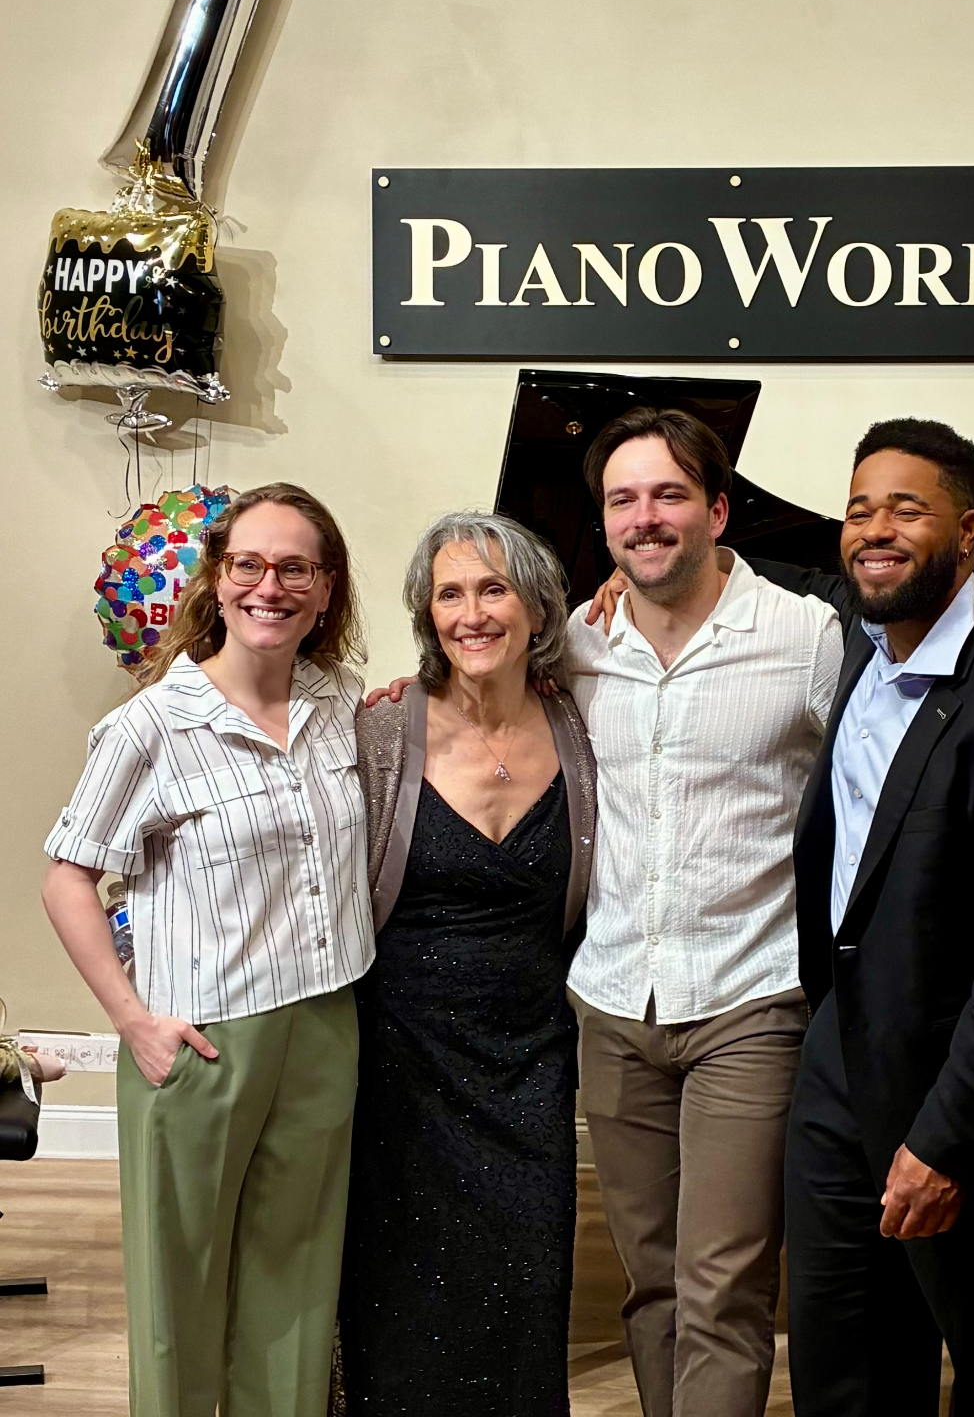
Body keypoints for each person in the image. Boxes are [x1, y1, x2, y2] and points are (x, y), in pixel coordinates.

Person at [765, 418, 974, 1417]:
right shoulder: (869, 629)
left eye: (907, 508)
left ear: (968, 530)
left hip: (951, 1086)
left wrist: (946, 1134)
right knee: (841, 1356)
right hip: (840, 1046)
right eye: (859, 507)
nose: (875, 528)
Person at [42, 482, 371, 1417]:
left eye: (295, 567)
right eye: (249, 565)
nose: (271, 586)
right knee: (178, 1289)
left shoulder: (342, 704)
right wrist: (130, 1022)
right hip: (200, 1039)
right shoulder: (152, 725)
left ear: (326, 587)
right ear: (218, 580)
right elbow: (67, 879)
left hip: (326, 1020)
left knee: (297, 1280)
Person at [567, 407, 843, 1417]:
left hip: (748, 998)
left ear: (718, 509)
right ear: (602, 524)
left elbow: (875, 779)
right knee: (649, 1277)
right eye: (623, 500)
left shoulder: (802, 637)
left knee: (722, 1282)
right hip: (610, 998)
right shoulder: (574, 644)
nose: (646, 518)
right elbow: (476, 712)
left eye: (669, 494)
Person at [336, 512, 596, 1414]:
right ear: (427, 612)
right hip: (399, 1055)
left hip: (529, 1056)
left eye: (494, 589)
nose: (473, 613)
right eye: (450, 592)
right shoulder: (379, 730)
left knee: (527, 1284)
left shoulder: (583, 722)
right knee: (397, 1287)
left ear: (537, 608)